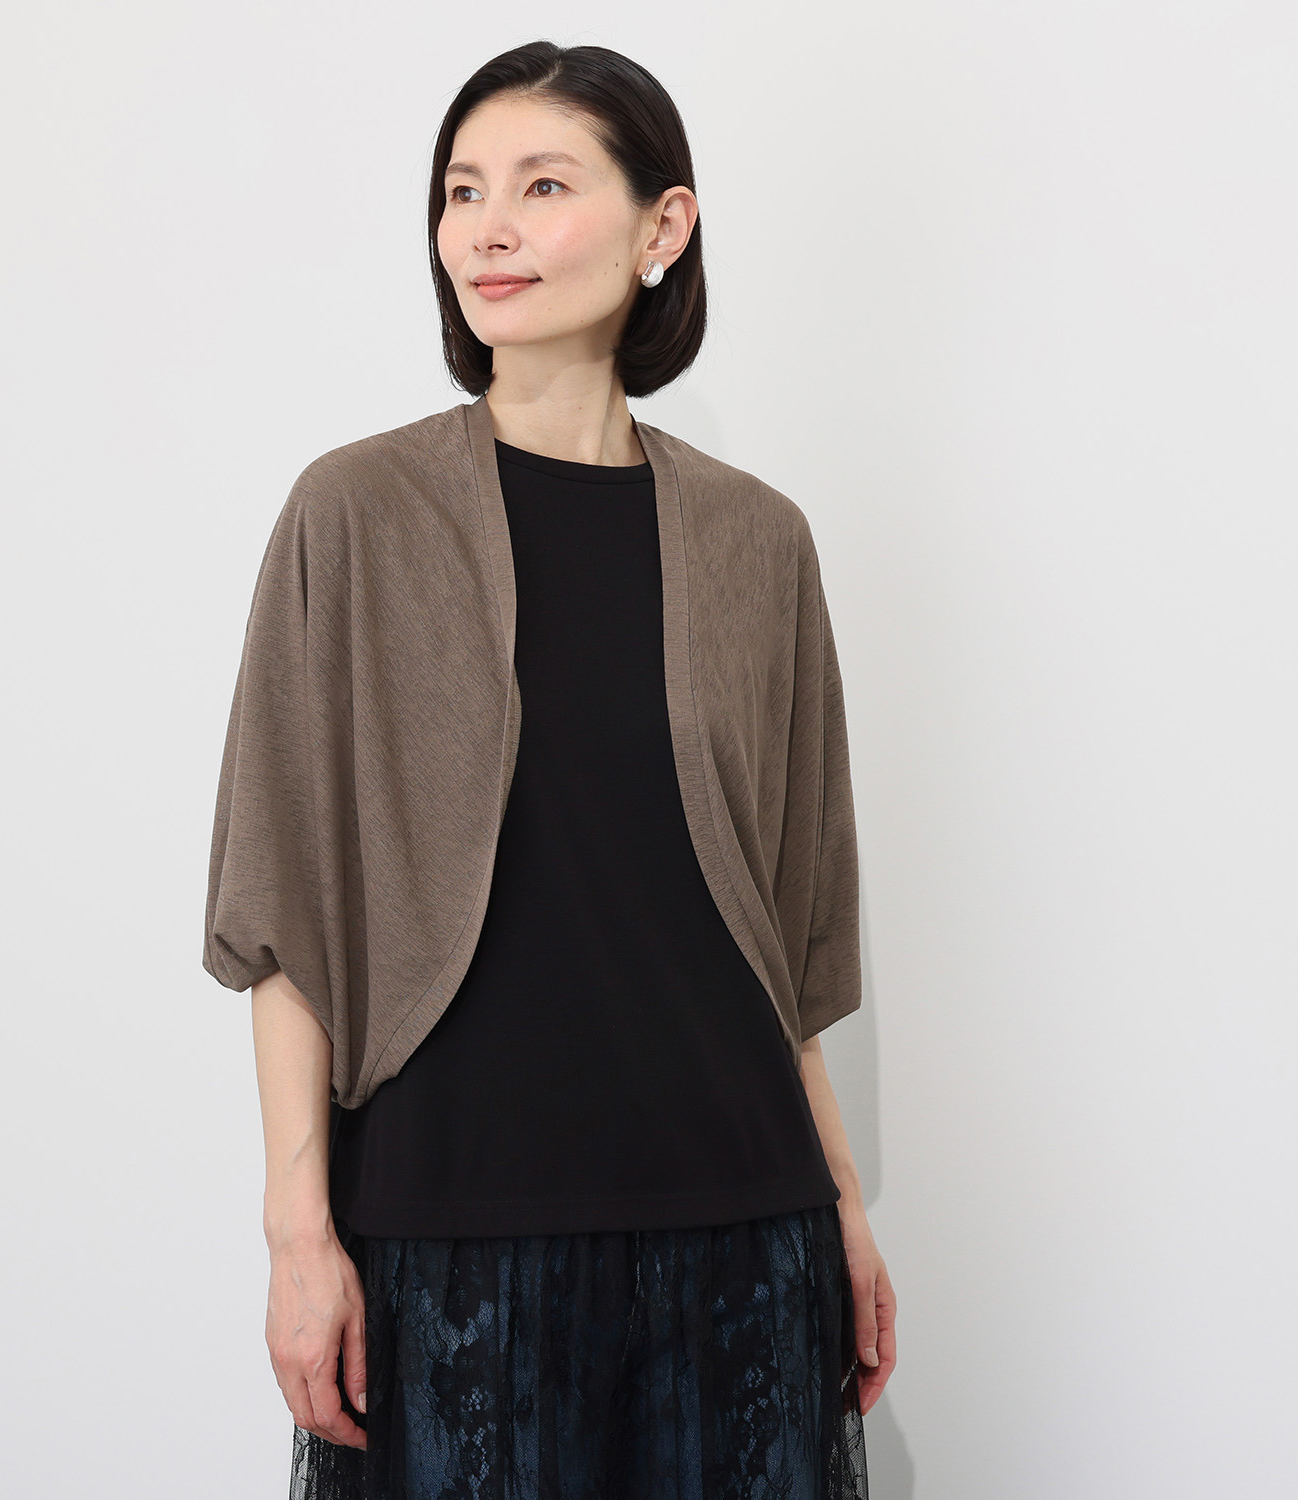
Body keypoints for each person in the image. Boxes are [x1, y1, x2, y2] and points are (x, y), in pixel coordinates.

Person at [205, 39, 897, 1499]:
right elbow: (287, 914)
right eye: (462, 191)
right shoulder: (357, 513)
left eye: (541, 185)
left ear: (664, 227)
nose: (487, 229)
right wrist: (297, 1233)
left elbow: (785, 935)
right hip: (453, 1238)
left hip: (742, 1231)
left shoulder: (759, 542)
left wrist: (841, 1202)